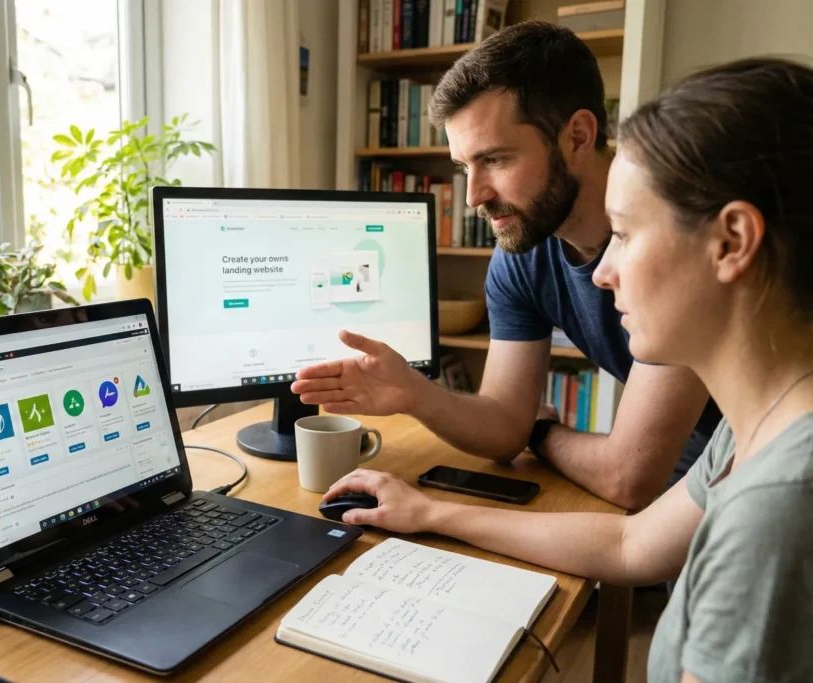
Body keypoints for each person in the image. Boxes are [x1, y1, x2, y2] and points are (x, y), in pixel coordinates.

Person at [320, 57, 813, 683]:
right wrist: (430, 511)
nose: (603, 274)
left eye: (628, 235)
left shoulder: (775, 511)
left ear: (733, 242)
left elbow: (630, 480)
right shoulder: (749, 436)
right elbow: (628, 544)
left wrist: (538, 430)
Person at [292, 21, 721, 510]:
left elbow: (627, 476)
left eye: (494, 159)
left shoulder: (675, 234)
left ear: (578, 137)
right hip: (692, 472)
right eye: (463, 167)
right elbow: (502, 423)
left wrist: (540, 431)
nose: (474, 196)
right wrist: (415, 393)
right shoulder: (524, 253)